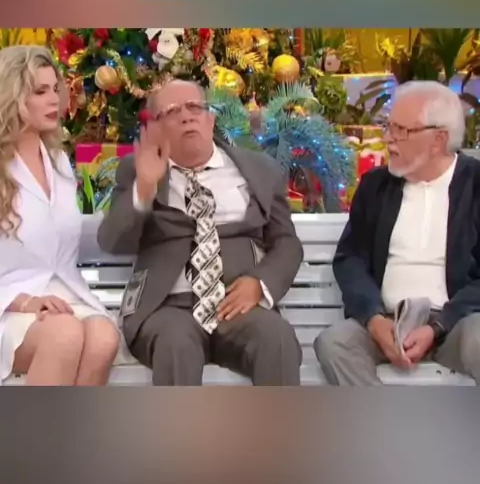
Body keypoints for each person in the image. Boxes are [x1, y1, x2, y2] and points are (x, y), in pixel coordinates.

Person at [97, 79, 303, 385]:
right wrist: (145, 188)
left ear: (210, 119)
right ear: (155, 128)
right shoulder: (138, 170)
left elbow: (286, 242)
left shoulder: (259, 170)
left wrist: (260, 284)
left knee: (277, 338)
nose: (186, 117)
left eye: (194, 107)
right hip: (167, 308)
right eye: (172, 111)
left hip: (238, 305)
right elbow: (112, 240)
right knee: (176, 344)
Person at [315, 80, 480, 385]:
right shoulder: (376, 185)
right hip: (388, 321)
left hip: (457, 323)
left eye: (401, 130)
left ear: (438, 139)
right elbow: (350, 258)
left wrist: (438, 326)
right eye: (388, 126)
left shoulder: (475, 184)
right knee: (334, 343)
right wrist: (373, 318)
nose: (388, 138)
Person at [0, 45, 120, 385]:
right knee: (64, 335)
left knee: (103, 338)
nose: (54, 100)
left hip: (63, 296)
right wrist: (24, 301)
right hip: (10, 303)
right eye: (40, 92)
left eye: (55, 89)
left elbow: (67, 233)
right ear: (11, 97)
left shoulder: (58, 161)